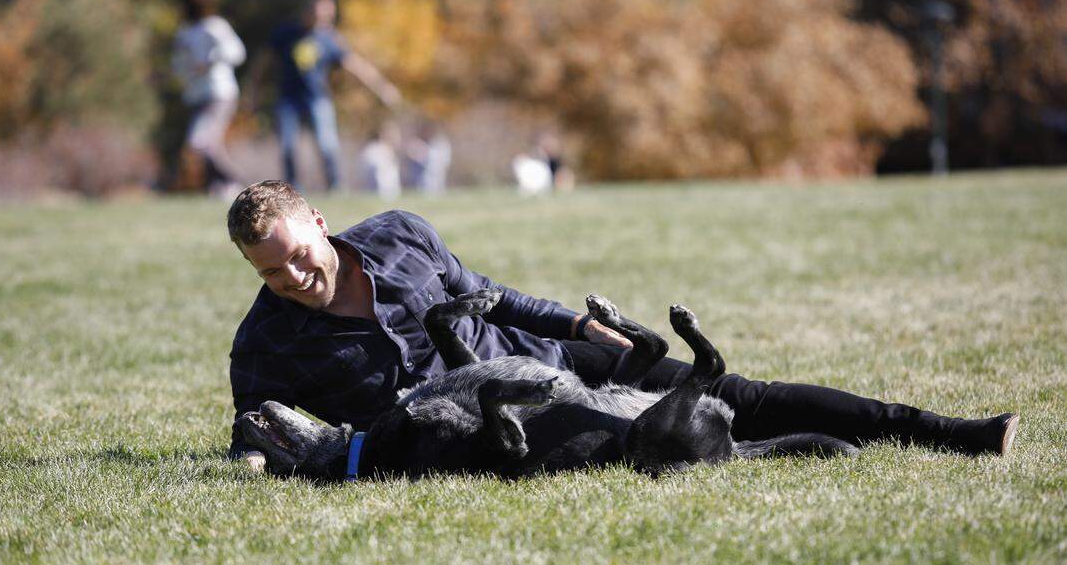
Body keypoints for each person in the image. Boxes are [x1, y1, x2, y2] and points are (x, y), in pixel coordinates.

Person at [225, 181, 1019, 472]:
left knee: (746, 395)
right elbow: (255, 428)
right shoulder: (264, 344)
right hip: (507, 433)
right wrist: (258, 459)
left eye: (297, 254)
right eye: (271, 271)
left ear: (319, 223)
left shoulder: (400, 233)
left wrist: (575, 321)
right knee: (706, 431)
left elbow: (492, 298)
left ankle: (950, 432)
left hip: (548, 360)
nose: (292, 277)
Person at [247, 0, 402, 192]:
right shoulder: (286, 33)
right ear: (307, 11)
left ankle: (334, 186)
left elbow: (354, 65)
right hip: (289, 99)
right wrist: (252, 90)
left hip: (317, 98)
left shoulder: (329, 38)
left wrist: (382, 87)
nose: (321, 18)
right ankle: (291, 191)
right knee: (288, 146)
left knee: (327, 145)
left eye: (327, 15)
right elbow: (263, 63)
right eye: (318, 13)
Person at [171, 0, 246, 198]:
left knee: (199, 141)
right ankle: (222, 186)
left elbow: (236, 51)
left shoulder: (215, 26)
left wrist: (209, 61)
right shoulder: (184, 32)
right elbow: (179, 63)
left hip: (218, 94)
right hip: (196, 96)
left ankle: (233, 181)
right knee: (209, 144)